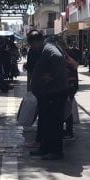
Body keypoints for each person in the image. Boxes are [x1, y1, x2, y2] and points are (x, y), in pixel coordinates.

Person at [28, 31, 68, 160]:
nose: (31, 48)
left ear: (36, 41)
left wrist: (52, 75)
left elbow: (59, 59)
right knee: (46, 122)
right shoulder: (45, 49)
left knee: (53, 124)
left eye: (32, 44)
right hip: (47, 94)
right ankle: (45, 148)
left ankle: (55, 151)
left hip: (54, 94)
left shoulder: (49, 49)